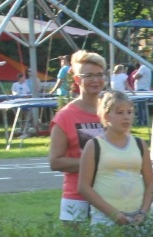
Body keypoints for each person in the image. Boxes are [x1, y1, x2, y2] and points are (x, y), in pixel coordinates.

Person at [77, 90, 153, 227]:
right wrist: (113, 214)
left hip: (138, 218)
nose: (126, 117)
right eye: (120, 113)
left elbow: (150, 184)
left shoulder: (139, 144)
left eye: (129, 112)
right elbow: (84, 187)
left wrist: (143, 212)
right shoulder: (94, 145)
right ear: (106, 116)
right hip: (106, 219)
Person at [49, 50, 107, 225]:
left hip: (110, 194)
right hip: (76, 196)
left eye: (99, 75)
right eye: (88, 75)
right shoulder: (65, 116)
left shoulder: (112, 111)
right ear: (77, 80)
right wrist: (93, 163)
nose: (95, 80)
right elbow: (55, 162)